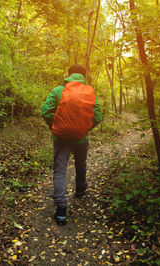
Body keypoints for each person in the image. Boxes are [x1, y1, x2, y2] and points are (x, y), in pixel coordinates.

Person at [41, 64, 102, 225]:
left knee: (60, 170)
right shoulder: (89, 91)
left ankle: (61, 210)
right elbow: (98, 116)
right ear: (83, 76)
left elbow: (45, 111)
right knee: (81, 163)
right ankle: (80, 189)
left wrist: (54, 127)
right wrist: (84, 129)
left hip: (60, 137)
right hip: (80, 138)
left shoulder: (57, 91)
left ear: (68, 75)